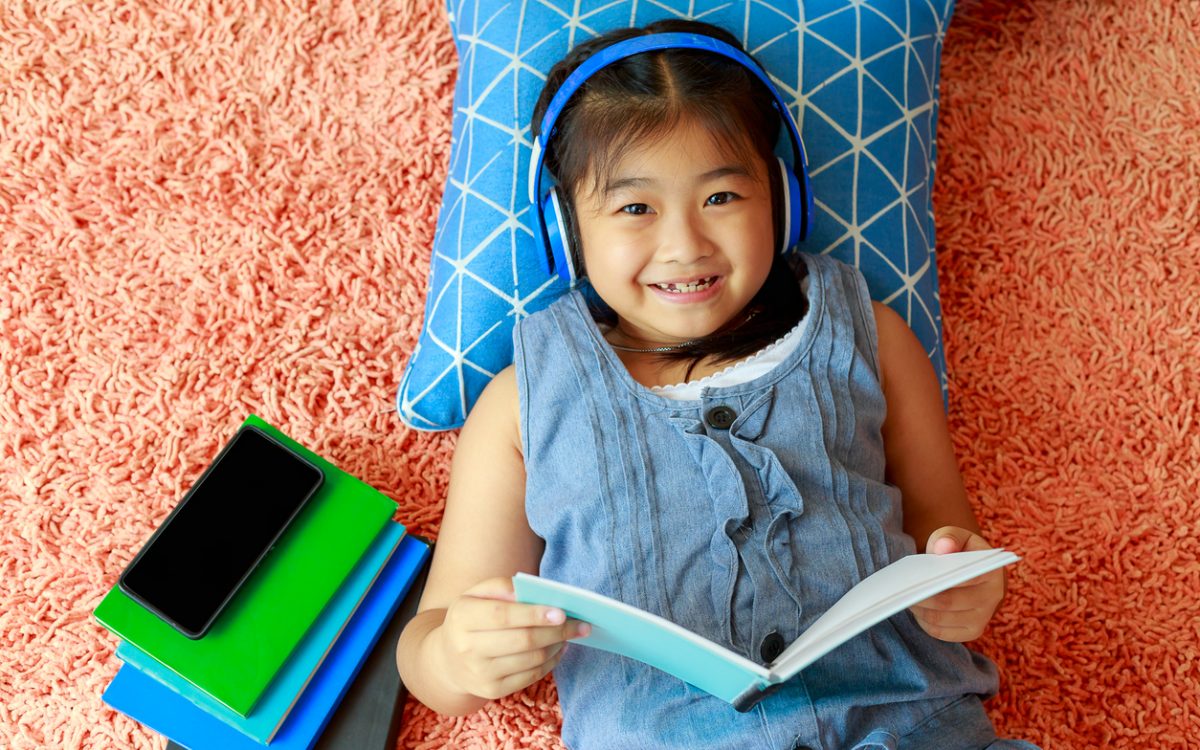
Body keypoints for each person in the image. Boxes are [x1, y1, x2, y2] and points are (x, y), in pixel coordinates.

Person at [398, 18, 1036, 750]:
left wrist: (963, 589)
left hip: (914, 727)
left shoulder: (874, 336)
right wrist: (460, 655)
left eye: (723, 198)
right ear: (567, 230)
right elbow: (428, 652)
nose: (685, 246)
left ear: (783, 199)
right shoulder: (519, 405)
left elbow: (947, 535)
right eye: (635, 208)